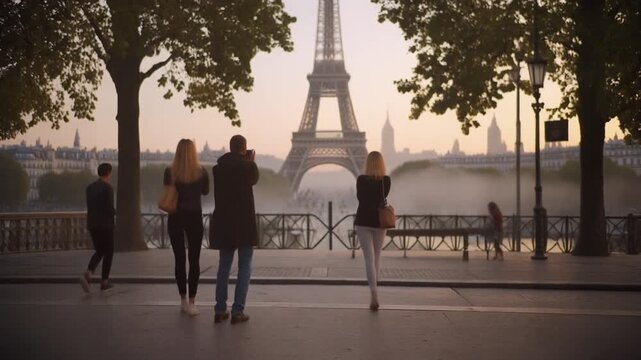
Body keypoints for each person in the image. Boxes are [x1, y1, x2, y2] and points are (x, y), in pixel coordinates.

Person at [211, 135, 259, 324]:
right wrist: (250, 162)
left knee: (223, 266)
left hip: (224, 223)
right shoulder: (248, 167)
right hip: (244, 224)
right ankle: (238, 311)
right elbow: (254, 180)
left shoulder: (217, 169)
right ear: (244, 148)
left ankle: (220, 309)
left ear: (230, 148)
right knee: (244, 266)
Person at [164, 139, 209, 316]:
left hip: (175, 216)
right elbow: (206, 192)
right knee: (194, 260)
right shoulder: (202, 172)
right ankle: (192, 302)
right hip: (194, 217)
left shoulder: (170, 171)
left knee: (179, 259)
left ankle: (182, 299)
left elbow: (168, 192)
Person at [354, 151, 391, 311]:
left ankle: (373, 294)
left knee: (368, 259)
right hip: (379, 222)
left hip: (363, 221)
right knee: (376, 258)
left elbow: (361, 199)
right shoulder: (386, 181)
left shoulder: (361, 180)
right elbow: (382, 198)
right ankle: (375, 294)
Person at [80, 163, 116, 293]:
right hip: (105, 224)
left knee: (100, 250)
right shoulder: (108, 188)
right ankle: (104, 281)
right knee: (109, 251)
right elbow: (109, 208)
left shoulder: (89, 188)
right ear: (108, 173)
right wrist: (116, 213)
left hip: (92, 223)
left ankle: (89, 272)